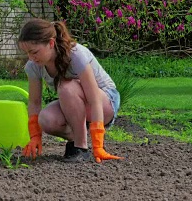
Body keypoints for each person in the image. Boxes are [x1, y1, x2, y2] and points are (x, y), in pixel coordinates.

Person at [18, 18, 123, 163]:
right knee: (46, 119)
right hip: (73, 102)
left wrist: (98, 145)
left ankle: (80, 148)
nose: (31, 58)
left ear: (51, 43)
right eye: (27, 53)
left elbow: (94, 99)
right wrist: (35, 136)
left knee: (66, 87)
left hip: (105, 101)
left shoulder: (76, 54)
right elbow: (34, 102)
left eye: (34, 52)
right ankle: (77, 139)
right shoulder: (33, 65)